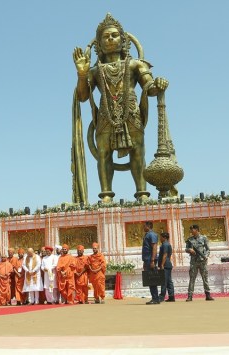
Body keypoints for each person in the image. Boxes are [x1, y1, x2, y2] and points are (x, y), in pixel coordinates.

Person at [72, 14, 170, 203]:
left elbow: (149, 87)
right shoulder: (95, 71)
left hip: (130, 110)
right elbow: (83, 96)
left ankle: (142, 193)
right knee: (103, 153)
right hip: (105, 113)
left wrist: (157, 84)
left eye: (114, 35)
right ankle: (106, 194)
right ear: (99, 44)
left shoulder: (135, 64)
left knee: (138, 151)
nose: (110, 39)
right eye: (105, 36)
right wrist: (82, 74)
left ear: (123, 41)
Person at [185, 225, 214, 302]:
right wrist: (189, 250)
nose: (191, 231)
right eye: (190, 229)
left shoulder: (203, 238)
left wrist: (206, 256)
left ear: (197, 230)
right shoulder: (189, 240)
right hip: (193, 262)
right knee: (192, 278)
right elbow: (186, 249)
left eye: (192, 229)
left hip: (202, 261)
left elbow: (208, 249)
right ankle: (190, 296)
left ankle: (208, 294)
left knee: (205, 278)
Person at [142, 221, 159, 305]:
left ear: (148, 226)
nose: (143, 227)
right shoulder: (147, 234)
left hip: (150, 260)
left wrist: (152, 260)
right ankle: (154, 297)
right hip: (147, 260)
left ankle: (155, 298)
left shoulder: (152, 235)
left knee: (152, 279)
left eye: (144, 226)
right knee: (150, 279)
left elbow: (154, 247)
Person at [158, 232, 175, 302]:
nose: (160, 239)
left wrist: (162, 264)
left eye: (161, 237)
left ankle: (162, 296)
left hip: (165, 265)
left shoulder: (165, 244)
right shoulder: (168, 244)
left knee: (164, 281)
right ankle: (171, 296)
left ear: (164, 238)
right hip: (168, 264)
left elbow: (165, 255)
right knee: (168, 281)